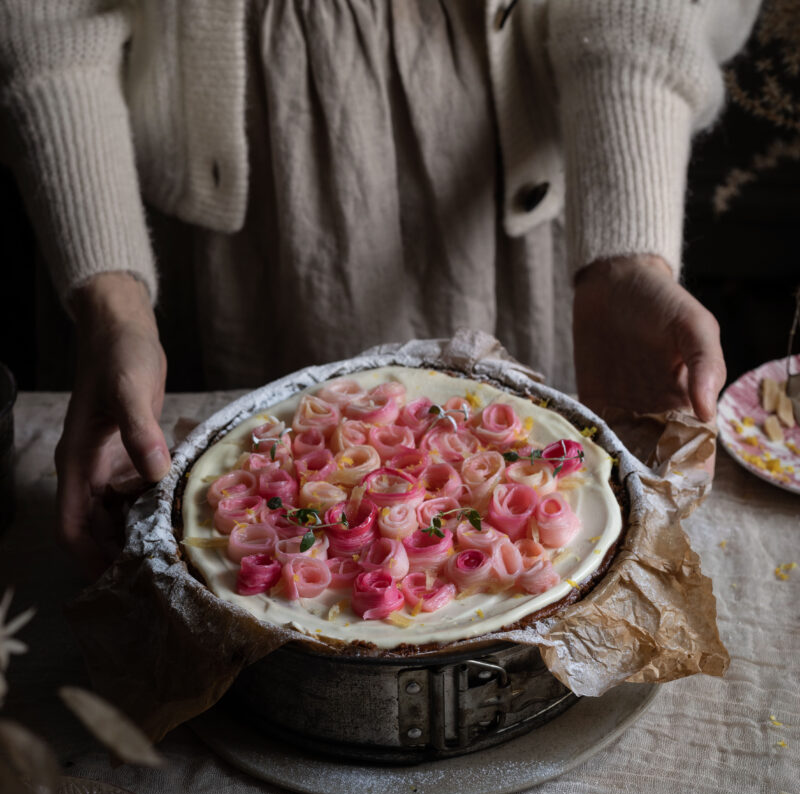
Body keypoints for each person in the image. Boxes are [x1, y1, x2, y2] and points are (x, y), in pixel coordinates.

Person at [0, 0, 759, 576]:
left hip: (522, 136)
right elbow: (44, 17)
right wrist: (113, 303)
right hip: (240, 143)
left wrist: (627, 257)